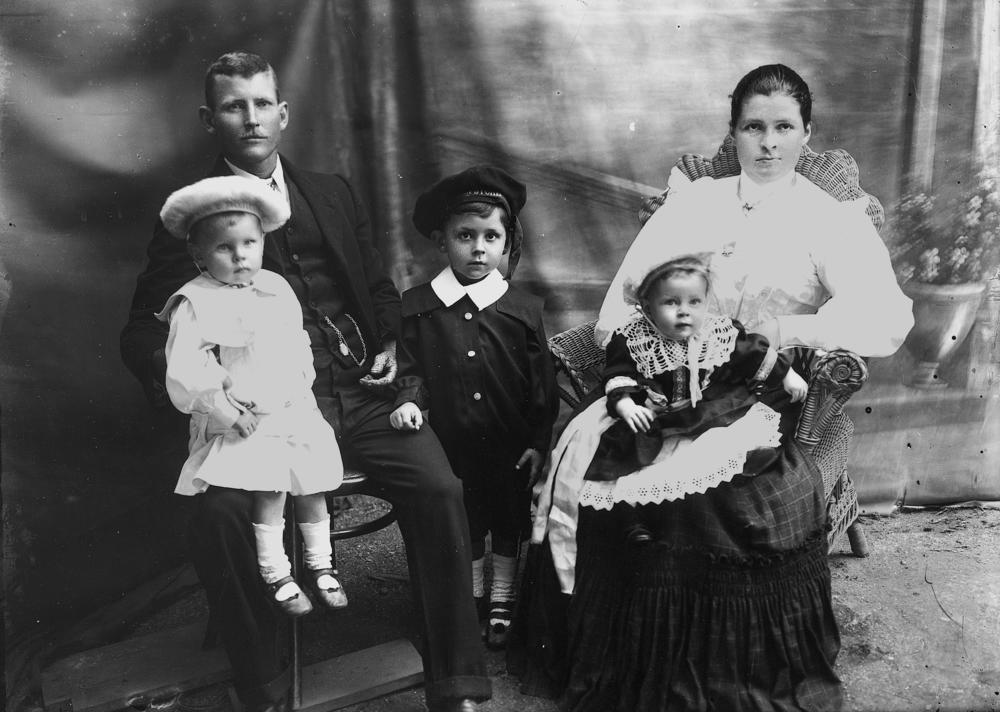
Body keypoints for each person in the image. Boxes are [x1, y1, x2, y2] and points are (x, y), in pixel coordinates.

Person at [514, 64, 913, 712]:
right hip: (667, 386)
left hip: (756, 393)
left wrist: (789, 326)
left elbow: (889, 315)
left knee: (725, 501)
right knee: (618, 480)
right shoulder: (696, 203)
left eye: (784, 127)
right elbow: (622, 303)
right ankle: (641, 668)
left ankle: (728, 673)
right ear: (734, 133)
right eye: (754, 126)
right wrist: (651, 364)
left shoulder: (827, 217)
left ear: (805, 134)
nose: (768, 142)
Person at [121, 51, 489, 712]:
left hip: (360, 390)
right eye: (235, 106)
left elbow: (378, 293)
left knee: (439, 486)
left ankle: (456, 684)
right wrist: (199, 385)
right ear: (211, 119)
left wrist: (389, 352)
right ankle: (262, 689)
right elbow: (142, 332)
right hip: (261, 407)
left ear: (283, 114)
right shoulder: (188, 216)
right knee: (221, 516)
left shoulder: (332, 191)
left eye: (262, 103)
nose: (251, 118)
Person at [536, 255, 807, 582]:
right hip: (654, 413)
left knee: (722, 454)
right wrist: (625, 405)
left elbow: (753, 352)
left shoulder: (717, 331)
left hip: (704, 410)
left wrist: (787, 374)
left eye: (695, 301)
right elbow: (619, 373)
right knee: (619, 460)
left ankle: (714, 515)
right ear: (647, 307)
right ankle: (633, 519)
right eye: (671, 302)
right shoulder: (633, 337)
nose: (685, 311)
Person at [157, 176, 348, 617]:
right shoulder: (195, 302)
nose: (241, 256)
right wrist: (226, 411)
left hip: (292, 409)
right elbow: (188, 370)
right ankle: (274, 569)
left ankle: (321, 564)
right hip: (245, 419)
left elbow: (297, 341)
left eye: (250, 242)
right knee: (271, 485)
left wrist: (302, 389)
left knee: (312, 482)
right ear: (199, 255)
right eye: (225, 248)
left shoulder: (276, 286)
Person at [390, 165, 558, 649]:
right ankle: (473, 595)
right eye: (465, 236)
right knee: (464, 518)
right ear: (442, 242)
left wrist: (537, 443)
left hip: (507, 442)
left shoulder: (522, 310)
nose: (479, 248)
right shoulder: (419, 306)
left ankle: (503, 595)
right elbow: (411, 366)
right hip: (448, 443)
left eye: (491, 236)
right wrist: (408, 398)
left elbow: (541, 387)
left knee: (507, 517)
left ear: (507, 243)